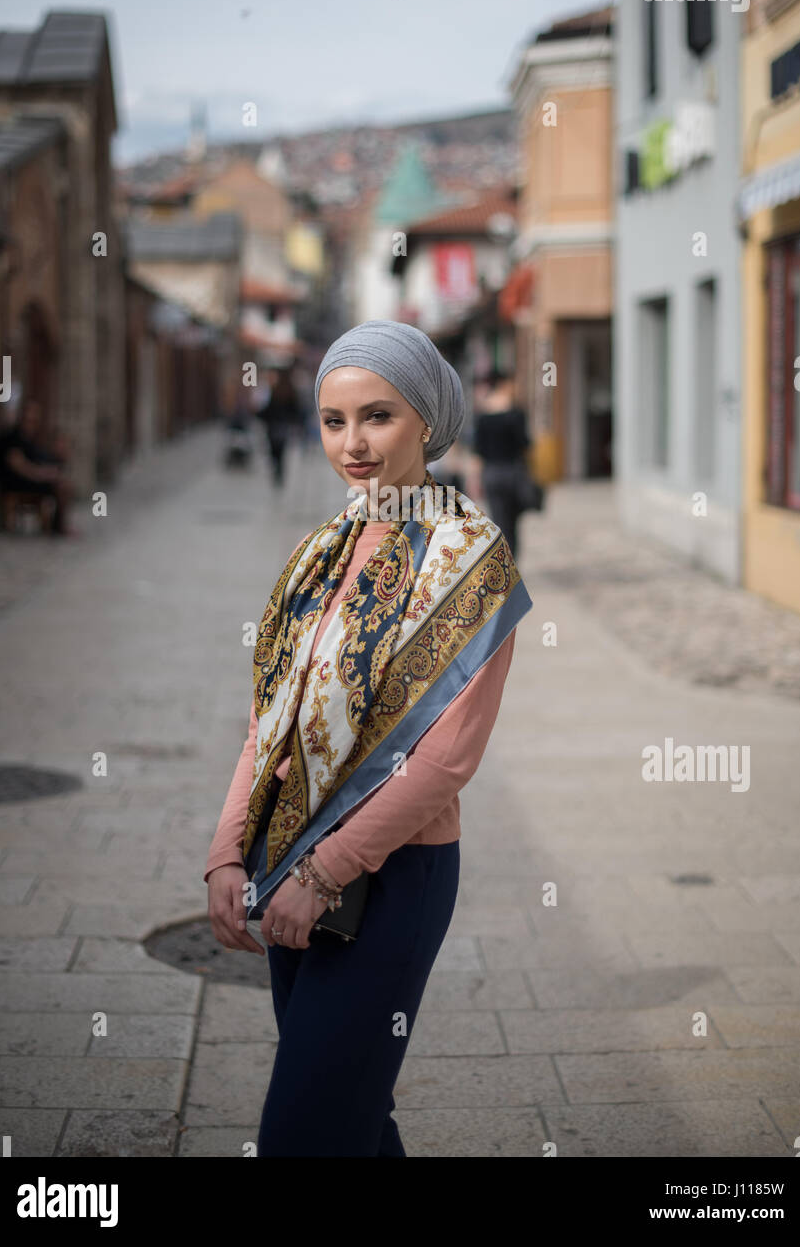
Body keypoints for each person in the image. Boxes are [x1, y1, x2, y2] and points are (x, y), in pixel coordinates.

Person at [205, 319, 533, 1157]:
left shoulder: (469, 556)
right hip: (284, 861)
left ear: (426, 419)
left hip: (390, 876)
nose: (351, 444)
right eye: (332, 420)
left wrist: (324, 872)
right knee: (351, 1119)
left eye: (377, 416)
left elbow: (446, 760)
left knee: (302, 1129)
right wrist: (225, 853)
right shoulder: (320, 550)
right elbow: (268, 722)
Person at [471, 369, 532, 560]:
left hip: (491, 475)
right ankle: (512, 562)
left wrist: (475, 479)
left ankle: (504, 563)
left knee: (499, 521)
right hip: (513, 472)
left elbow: (478, 451)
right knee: (513, 523)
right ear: (505, 385)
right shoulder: (515, 414)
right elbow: (525, 444)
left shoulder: (483, 416)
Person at [0, 397, 75, 535]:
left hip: (32, 479)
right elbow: (19, 465)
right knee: (62, 486)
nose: (33, 418)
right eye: (31, 413)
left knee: (64, 484)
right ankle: (59, 527)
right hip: (18, 482)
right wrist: (42, 475)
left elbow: (37, 458)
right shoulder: (14, 437)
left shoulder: (31, 436)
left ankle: (57, 524)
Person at [255, 368, 304, 486]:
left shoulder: (275, 391)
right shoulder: (290, 391)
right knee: (280, 451)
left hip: (273, 427)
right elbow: (296, 411)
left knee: (274, 451)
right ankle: (279, 471)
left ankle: (277, 470)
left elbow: (267, 411)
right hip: (282, 427)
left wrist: (258, 414)